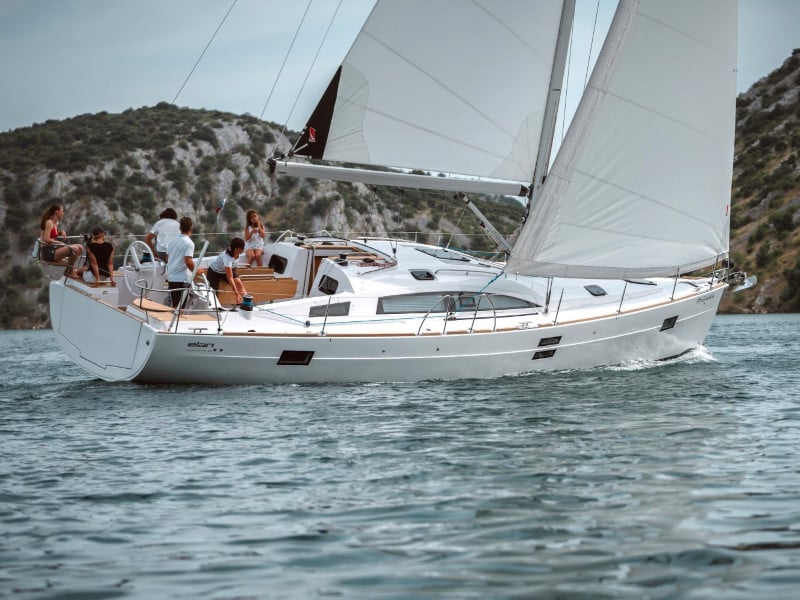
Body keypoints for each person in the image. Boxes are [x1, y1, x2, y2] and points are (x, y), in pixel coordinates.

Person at [38, 203, 84, 275]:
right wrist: (60, 243)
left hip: (54, 249)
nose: (63, 213)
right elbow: (47, 239)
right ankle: (69, 271)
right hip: (48, 252)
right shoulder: (49, 222)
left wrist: (61, 232)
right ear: (56, 212)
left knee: (80, 247)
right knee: (75, 249)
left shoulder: (55, 223)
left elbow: (52, 233)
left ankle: (69, 270)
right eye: (62, 211)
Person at [205, 237, 248, 306]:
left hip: (227, 270)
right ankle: (214, 307)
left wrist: (236, 278)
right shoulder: (227, 257)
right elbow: (230, 278)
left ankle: (247, 301)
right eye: (242, 248)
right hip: (214, 272)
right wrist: (237, 294)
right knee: (213, 292)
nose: (243, 249)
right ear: (237, 249)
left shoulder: (236, 253)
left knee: (239, 282)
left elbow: (234, 268)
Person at [166, 216, 195, 309]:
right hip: (182, 279)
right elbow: (188, 261)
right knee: (180, 307)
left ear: (180, 228)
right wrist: (196, 271)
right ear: (191, 228)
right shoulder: (189, 243)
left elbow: (167, 258)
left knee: (175, 304)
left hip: (171, 277)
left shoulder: (171, 242)